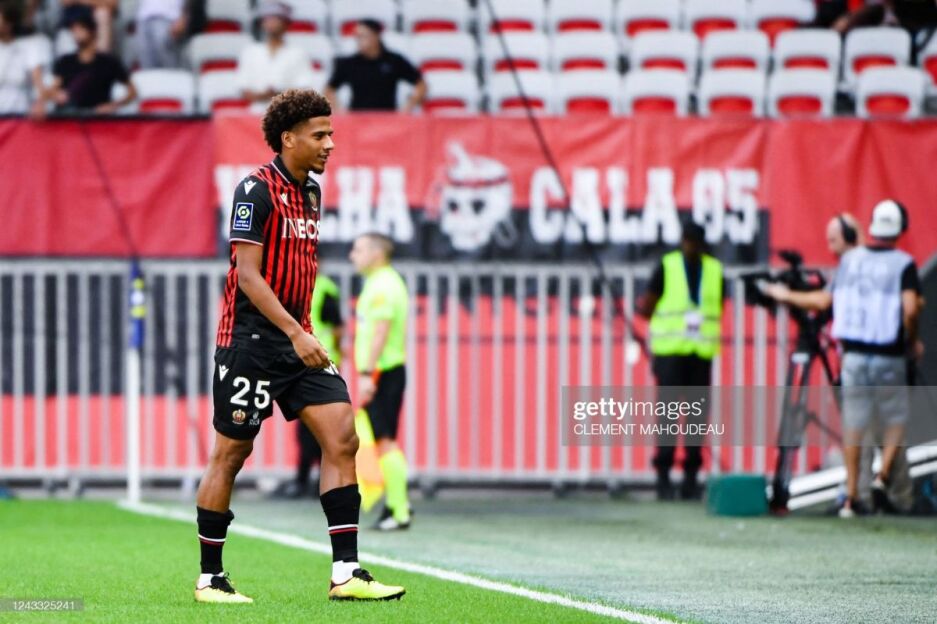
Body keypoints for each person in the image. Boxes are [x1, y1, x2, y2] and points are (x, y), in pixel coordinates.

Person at [195, 89, 405, 603]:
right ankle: (210, 578)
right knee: (231, 453)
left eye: (331, 133)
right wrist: (295, 331)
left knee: (343, 438)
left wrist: (301, 332)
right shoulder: (254, 190)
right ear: (288, 139)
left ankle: (346, 573)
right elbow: (248, 277)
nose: (330, 143)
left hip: (298, 343)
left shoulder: (311, 192)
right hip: (250, 344)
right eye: (320, 135)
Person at [764, 200, 922, 518]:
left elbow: (824, 301)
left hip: (853, 356)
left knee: (855, 425)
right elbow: (909, 309)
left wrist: (783, 295)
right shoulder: (902, 263)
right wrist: (912, 338)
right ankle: (882, 479)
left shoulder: (851, 262)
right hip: (888, 354)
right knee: (894, 421)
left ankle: (852, 495)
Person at [638, 222, 725, 501]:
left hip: (700, 352)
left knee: (696, 416)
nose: (690, 246)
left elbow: (717, 306)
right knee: (668, 415)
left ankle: (690, 478)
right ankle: (664, 476)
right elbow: (648, 304)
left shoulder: (714, 270)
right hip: (671, 352)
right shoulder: (668, 266)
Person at [349, 233, 412, 530]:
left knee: (385, 440)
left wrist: (367, 374)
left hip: (382, 372)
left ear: (376, 253)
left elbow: (381, 331)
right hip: (383, 371)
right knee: (383, 439)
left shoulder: (384, 285)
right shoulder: (380, 282)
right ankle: (396, 505)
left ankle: (399, 510)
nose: (353, 255)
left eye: (358, 250)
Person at [278, 273, 344, 499]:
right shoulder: (305, 284)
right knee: (310, 428)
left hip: (318, 363)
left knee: (314, 429)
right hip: (304, 362)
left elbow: (337, 328)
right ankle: (311, 480)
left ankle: (312, 480)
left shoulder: (323, 288)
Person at [43, 8, 135, 113]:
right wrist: (55, 95)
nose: (76, 33)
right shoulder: (66, 62)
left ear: (92, 30)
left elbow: (132, 91)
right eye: (73, 29)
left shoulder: (108, 62)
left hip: (98, 118)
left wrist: (114, 105)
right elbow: (52, 89)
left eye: (80, 28)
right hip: (70, 117)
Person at [324, 19, 426, 112]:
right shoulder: (349, 63)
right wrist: (340, 111)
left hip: (387, 119)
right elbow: (329, 90)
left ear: (376, 36)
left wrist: (408, 106)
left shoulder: (394, 60)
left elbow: (421, 84)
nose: (358, 40)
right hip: (358, 119)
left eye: (363, 36)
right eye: (357, 36)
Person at [235, 0, 315, 114]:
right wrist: (264, 96)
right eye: (268, 18)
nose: (272, 22)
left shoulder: (298, 53)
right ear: (262, 23)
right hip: (256, 113)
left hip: (289, 113)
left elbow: (304, 87)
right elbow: (243, 88)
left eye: (277, 18)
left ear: (286, 24)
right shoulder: (250, 52)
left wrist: (277, 94)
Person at [0, 3, 45, 115]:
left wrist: (40, 102)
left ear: (9, 23)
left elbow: (37, 81)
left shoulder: (29, 46)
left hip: (20, 116)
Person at [135, 0, 187, 69]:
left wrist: (183, 18)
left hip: (168, 17)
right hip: (144, 18)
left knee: (168, 64)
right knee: (146, 64)